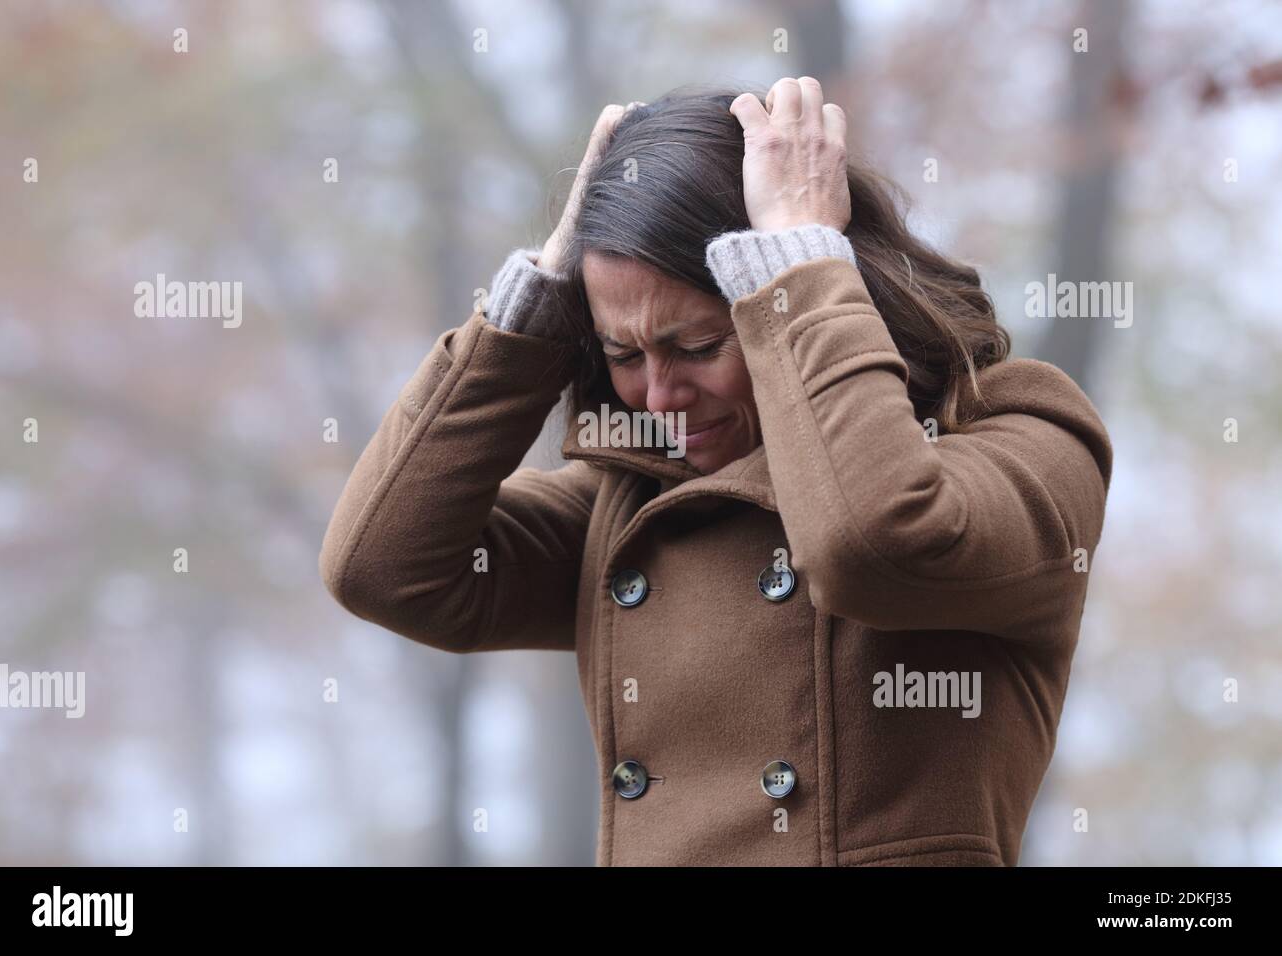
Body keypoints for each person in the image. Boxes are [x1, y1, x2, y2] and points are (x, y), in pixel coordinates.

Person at [319, 77, 1113, 866]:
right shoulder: (635, 505)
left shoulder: (1022, 434)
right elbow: (382, 567)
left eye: (698, 347)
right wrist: (540, 301)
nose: (659, 396)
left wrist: (799, 260)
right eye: (624, 353)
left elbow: (870, 542)